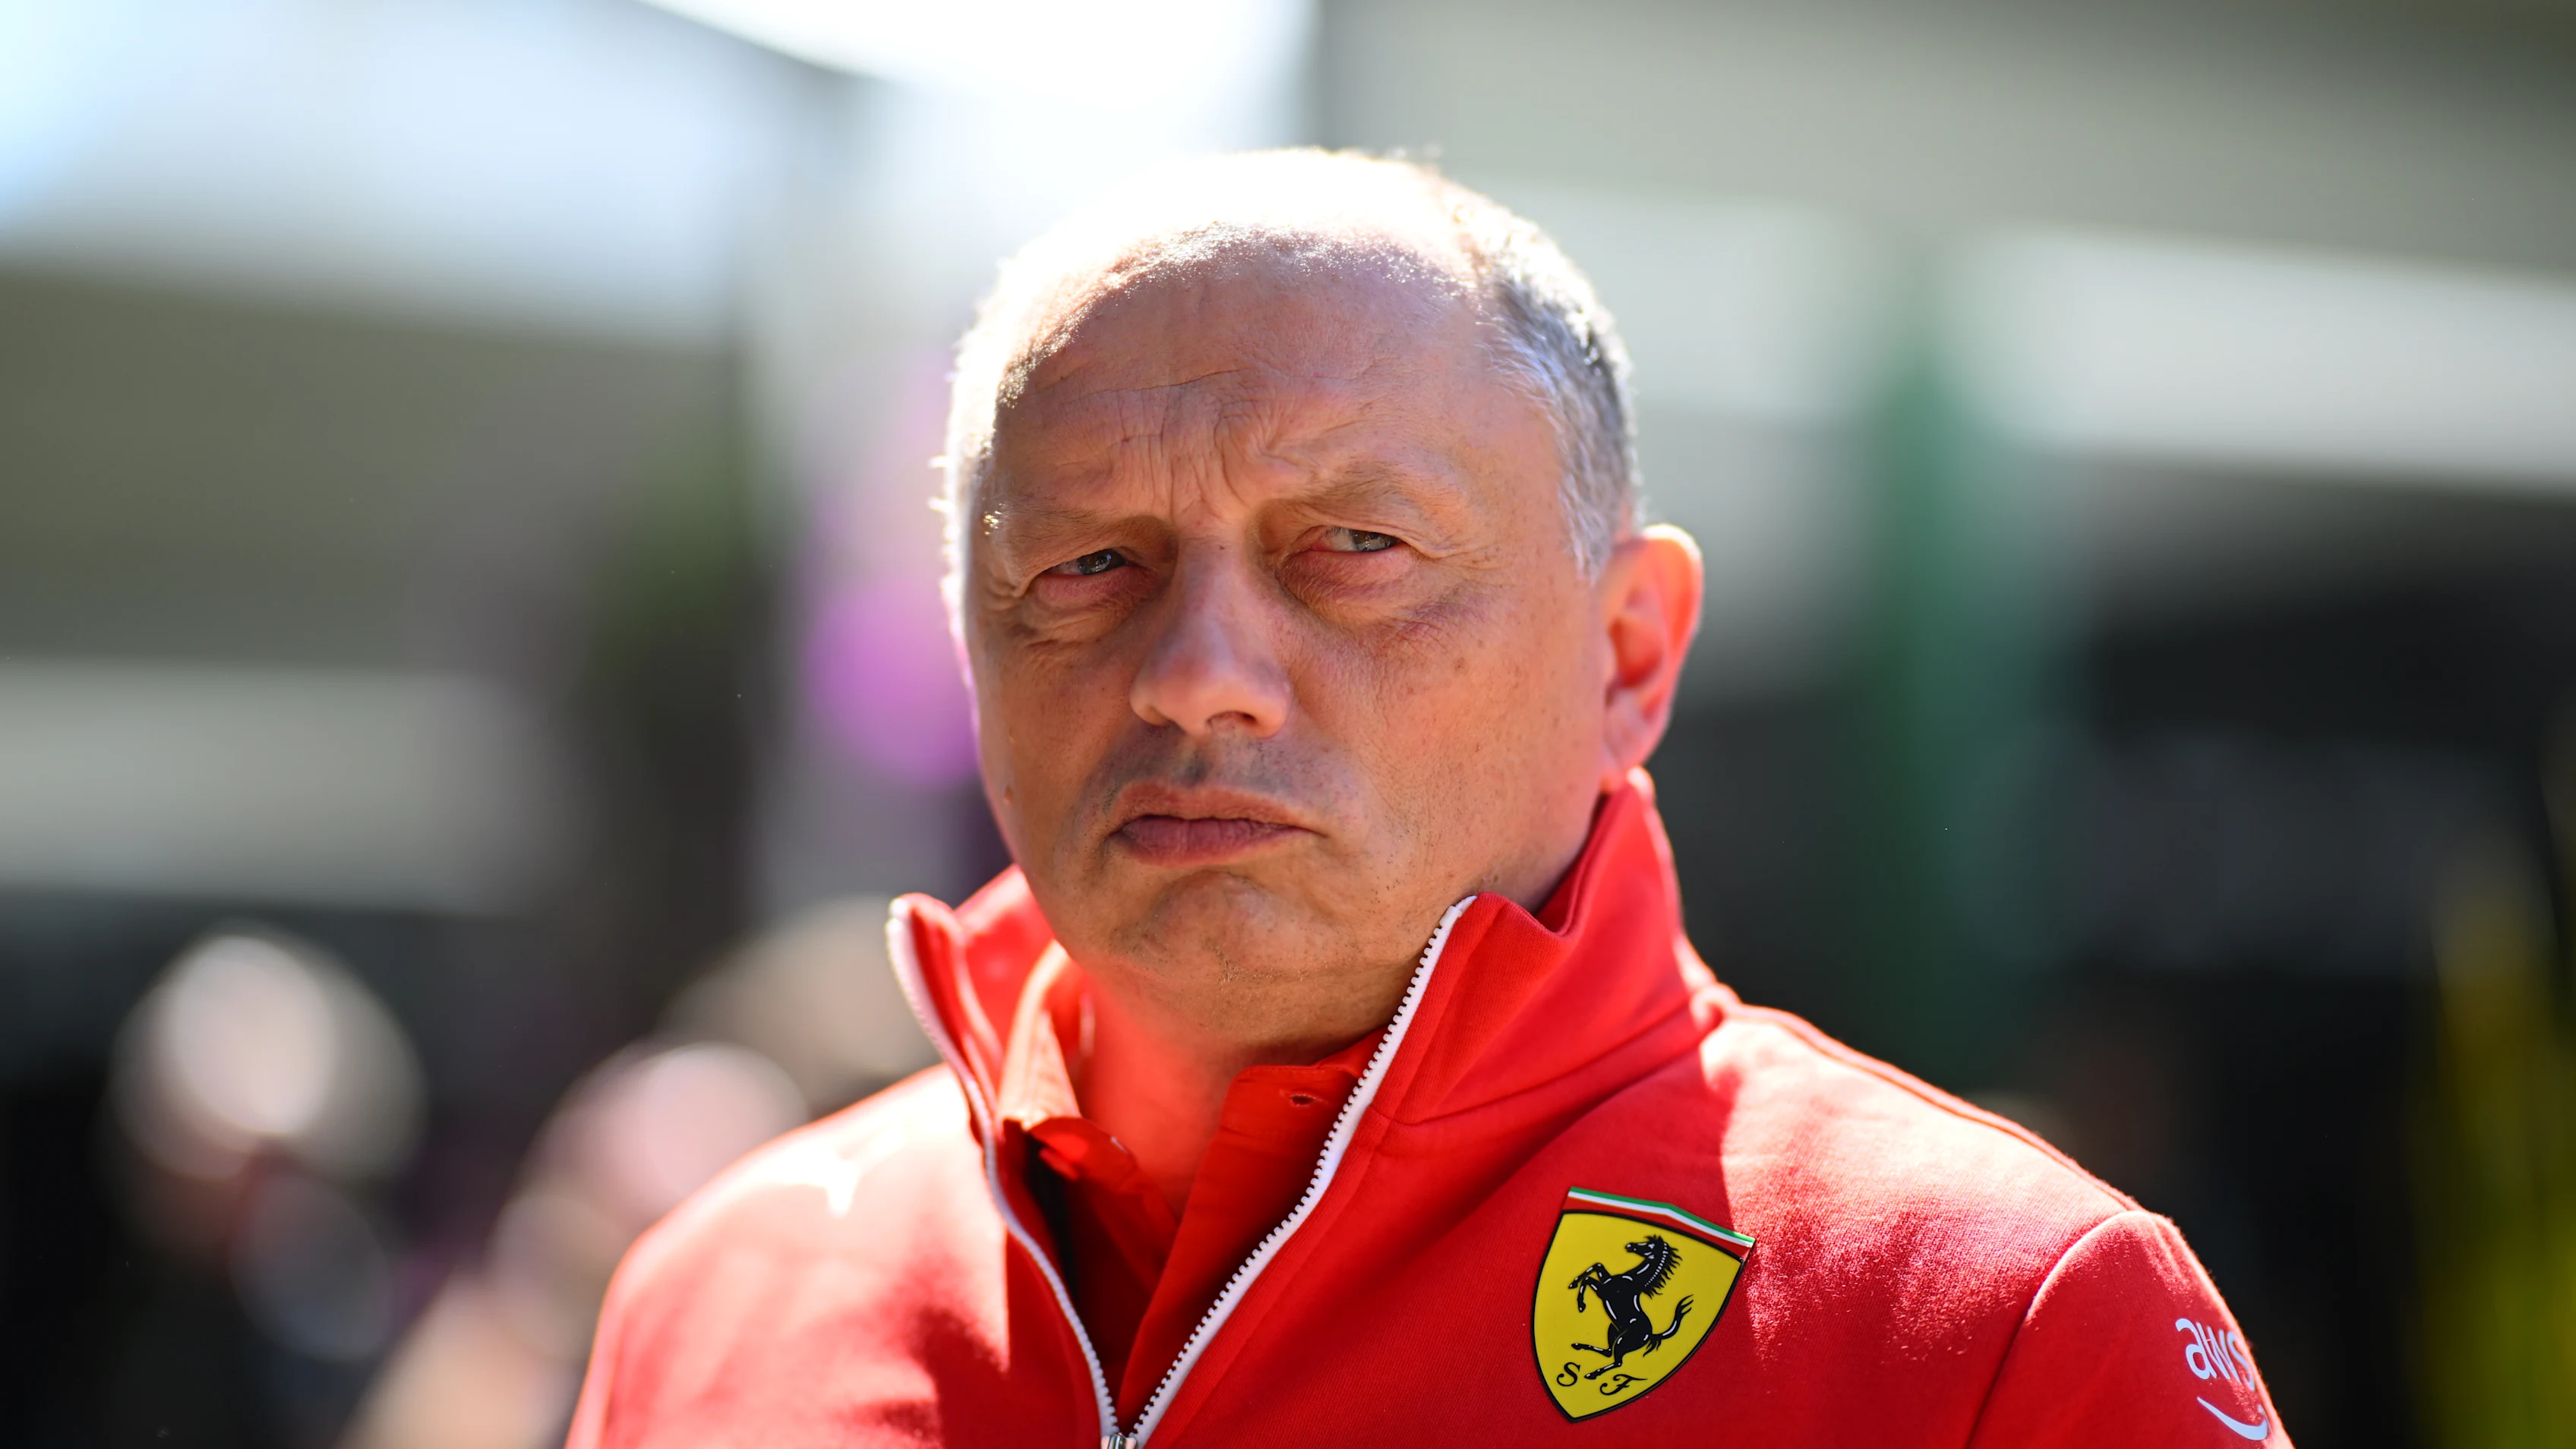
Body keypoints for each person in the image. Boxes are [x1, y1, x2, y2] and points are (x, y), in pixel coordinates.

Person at [566, 152, 2287, 1448]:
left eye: (1355, 552)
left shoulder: (1999, 1329)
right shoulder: (717, 1302)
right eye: (1092, 564)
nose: (1199, 670)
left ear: (1629, 654)